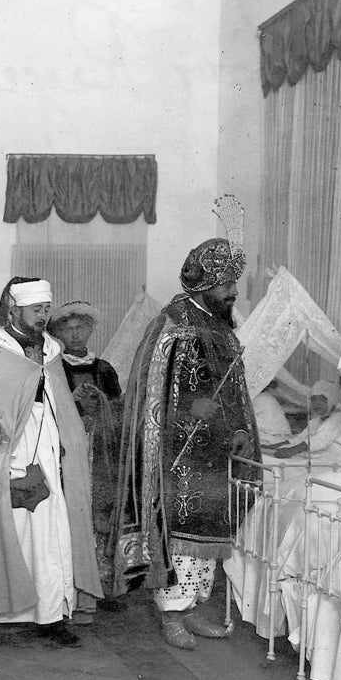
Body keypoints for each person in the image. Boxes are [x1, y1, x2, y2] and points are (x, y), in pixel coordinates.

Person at [114, 237, 260, 650]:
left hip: (214, 454)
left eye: (235, 282)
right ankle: (171, 615)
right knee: (178, 540)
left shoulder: (221, 325)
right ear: (204, 285)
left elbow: (234, 393)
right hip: (176, 456)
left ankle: (193, 609)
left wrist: (239, 430)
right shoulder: (173, 323)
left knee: (204, 543)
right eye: (226, 283)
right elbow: (152, 392)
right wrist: (191, 410)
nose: (233, 291)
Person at [0, 278, 102, 652]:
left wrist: (69, 443)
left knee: (51, 538)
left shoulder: (51, 350)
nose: (43, 316)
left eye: (46, 309)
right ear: (13, 310)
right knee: (2, 534)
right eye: (36, 310)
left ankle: (52, 617)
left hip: (48, 450)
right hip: (6, 456)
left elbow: (57, 400)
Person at [48, 301, 123, 612]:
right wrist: (75, 405)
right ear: (59, 333)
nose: (75, 333)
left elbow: (119, 410)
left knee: (102, 511)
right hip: (70, 450)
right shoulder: (56, 368)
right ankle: (74, 588)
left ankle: (104, 586)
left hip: (102, 451)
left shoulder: (104, 368)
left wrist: (101, 404)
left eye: (81, 327)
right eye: (68, 328)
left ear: (91, 330)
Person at [267, 379, 341, 460]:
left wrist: (291, 451)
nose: (317, 404)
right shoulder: (316, 421)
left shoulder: (338, 419)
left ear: (332, 401)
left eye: (323, 400)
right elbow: (300, 438)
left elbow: (319, 441)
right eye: (314, 400)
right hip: (326, 454)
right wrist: (273, 447)